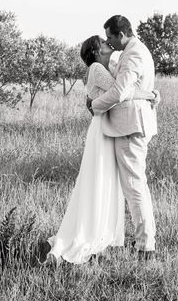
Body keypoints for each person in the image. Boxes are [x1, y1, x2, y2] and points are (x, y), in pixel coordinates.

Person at [45, 35, 158, 265]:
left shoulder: (112, 65)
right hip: (102, 130)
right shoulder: (96, 68)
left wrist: (151, 91)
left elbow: (130, 83)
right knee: (98, 181)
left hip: (112, 128)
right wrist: (150, 95)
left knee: (108, 183)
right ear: (96, 51)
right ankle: (88, 234)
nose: (109, 44)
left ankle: (102, 235)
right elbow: (121, 91)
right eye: (103, 43)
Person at [89, 15, 158, 260]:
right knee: (133, 185)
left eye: (109, 37)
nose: (108, 42)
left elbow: (120, 92)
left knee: (134, 186)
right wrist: (150, 93)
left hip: (130, 126)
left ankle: (145, 246)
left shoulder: (134, 53)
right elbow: (129, 89)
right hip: (128, 125)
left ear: (120, 34)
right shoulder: (132, 52)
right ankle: (141, 241)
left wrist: (94, 105)